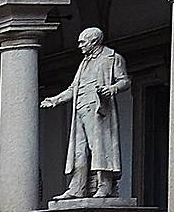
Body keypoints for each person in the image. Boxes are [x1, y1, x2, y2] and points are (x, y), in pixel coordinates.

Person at [40, 27, 131, 200]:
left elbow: (124, 81)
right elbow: (74, 88)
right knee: (79, 150)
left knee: (99, 147)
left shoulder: (112, 58)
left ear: (94, 41)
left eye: (83, 42)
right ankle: (77, 187)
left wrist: (112, 89)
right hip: (80, 109)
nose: (80, 46)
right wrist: (55, 100)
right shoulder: (85, 62)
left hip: (98, 110)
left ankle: (104, 186)